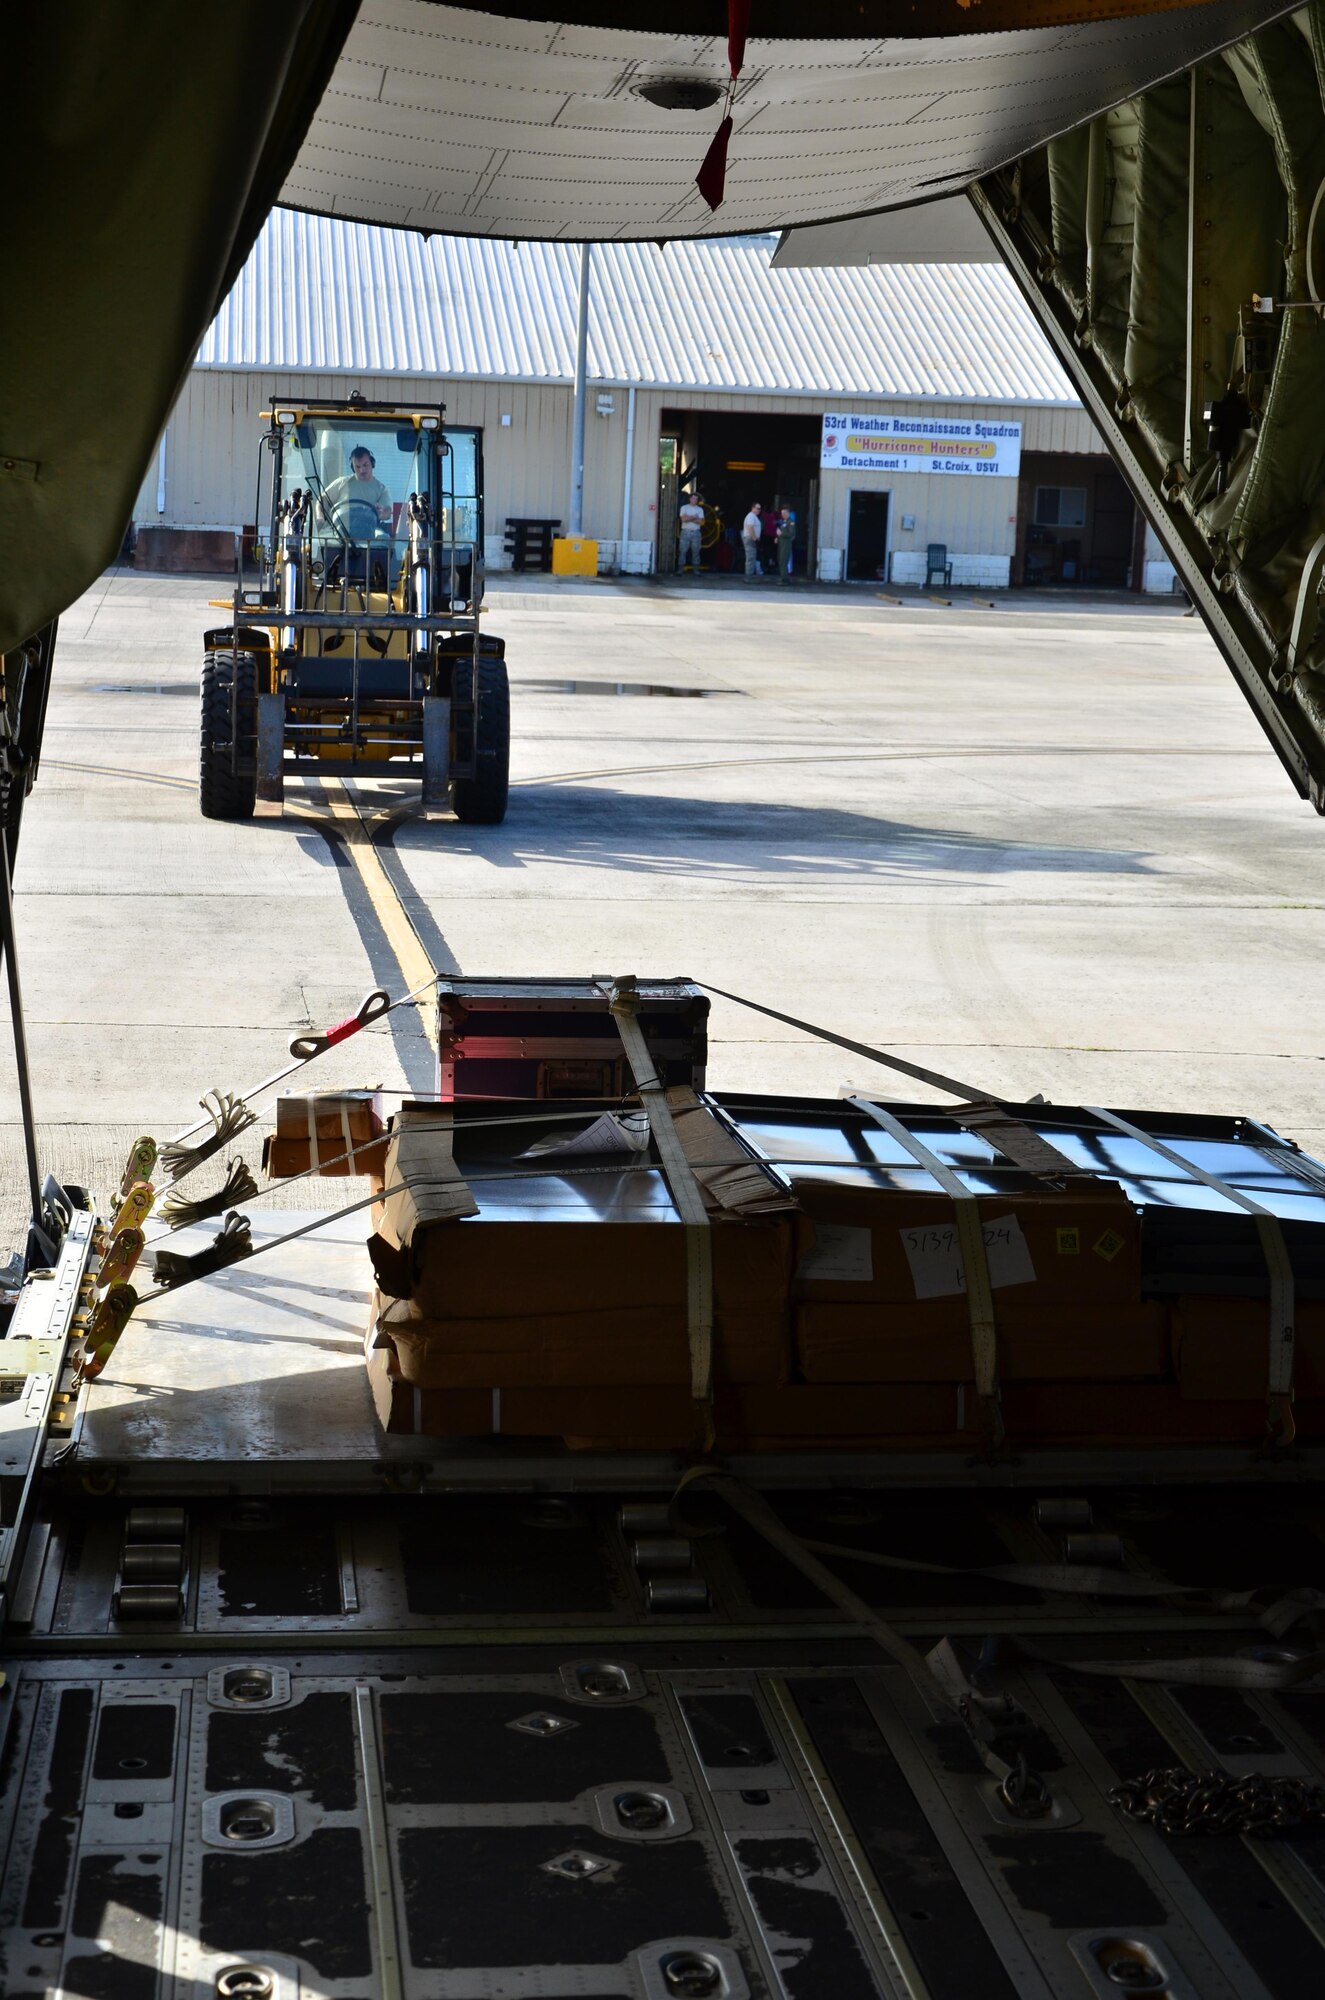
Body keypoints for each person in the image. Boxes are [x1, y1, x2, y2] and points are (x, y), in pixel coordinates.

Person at [320, 445, 393, 535]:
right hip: (340, 531)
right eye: (357, 467)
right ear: (352, 467)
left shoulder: (382, 489)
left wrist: (381, 512)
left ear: (372, 463)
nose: (362, 470)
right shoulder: (342, 482)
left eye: (365, 465)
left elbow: (388, 512)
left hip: (369, 532)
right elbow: (323, 498)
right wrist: (320, 517)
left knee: (383, 538)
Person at [678, 490, 704, 572]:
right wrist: (694, 517)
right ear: (690, 499)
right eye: (693, 498)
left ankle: (696, 570)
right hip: (685, 532)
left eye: (696, 499)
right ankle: (680, 569)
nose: (694, 500)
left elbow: (701, 522)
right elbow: (683, 519)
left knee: (696, 551)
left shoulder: (700, 509)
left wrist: (689, 518)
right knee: (683, 551)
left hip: (696, 533)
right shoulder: (684, 507)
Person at [741, 500, 762, 579]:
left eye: (760, 509)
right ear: (753, 508)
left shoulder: (753, 516)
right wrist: (754, 538)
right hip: (750, 539)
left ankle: (749, 575)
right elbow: (750, 527)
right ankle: (748, 576)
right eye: (757, 508)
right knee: (750, 557)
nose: (759, 510)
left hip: (751, 538)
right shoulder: (751, 516)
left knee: (752, 557)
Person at [777, 506, 796, 584]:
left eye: (784, 513)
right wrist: (777, 537)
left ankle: (784, 579)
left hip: (786, 544)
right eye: (781, 513)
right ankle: (782, 577)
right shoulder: (783, 522)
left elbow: (791, 533)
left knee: (784, 561)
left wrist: (782, 534)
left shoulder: (790, 522)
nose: (782, 514)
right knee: (781, 560)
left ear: (788, 513)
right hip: (781, 544)